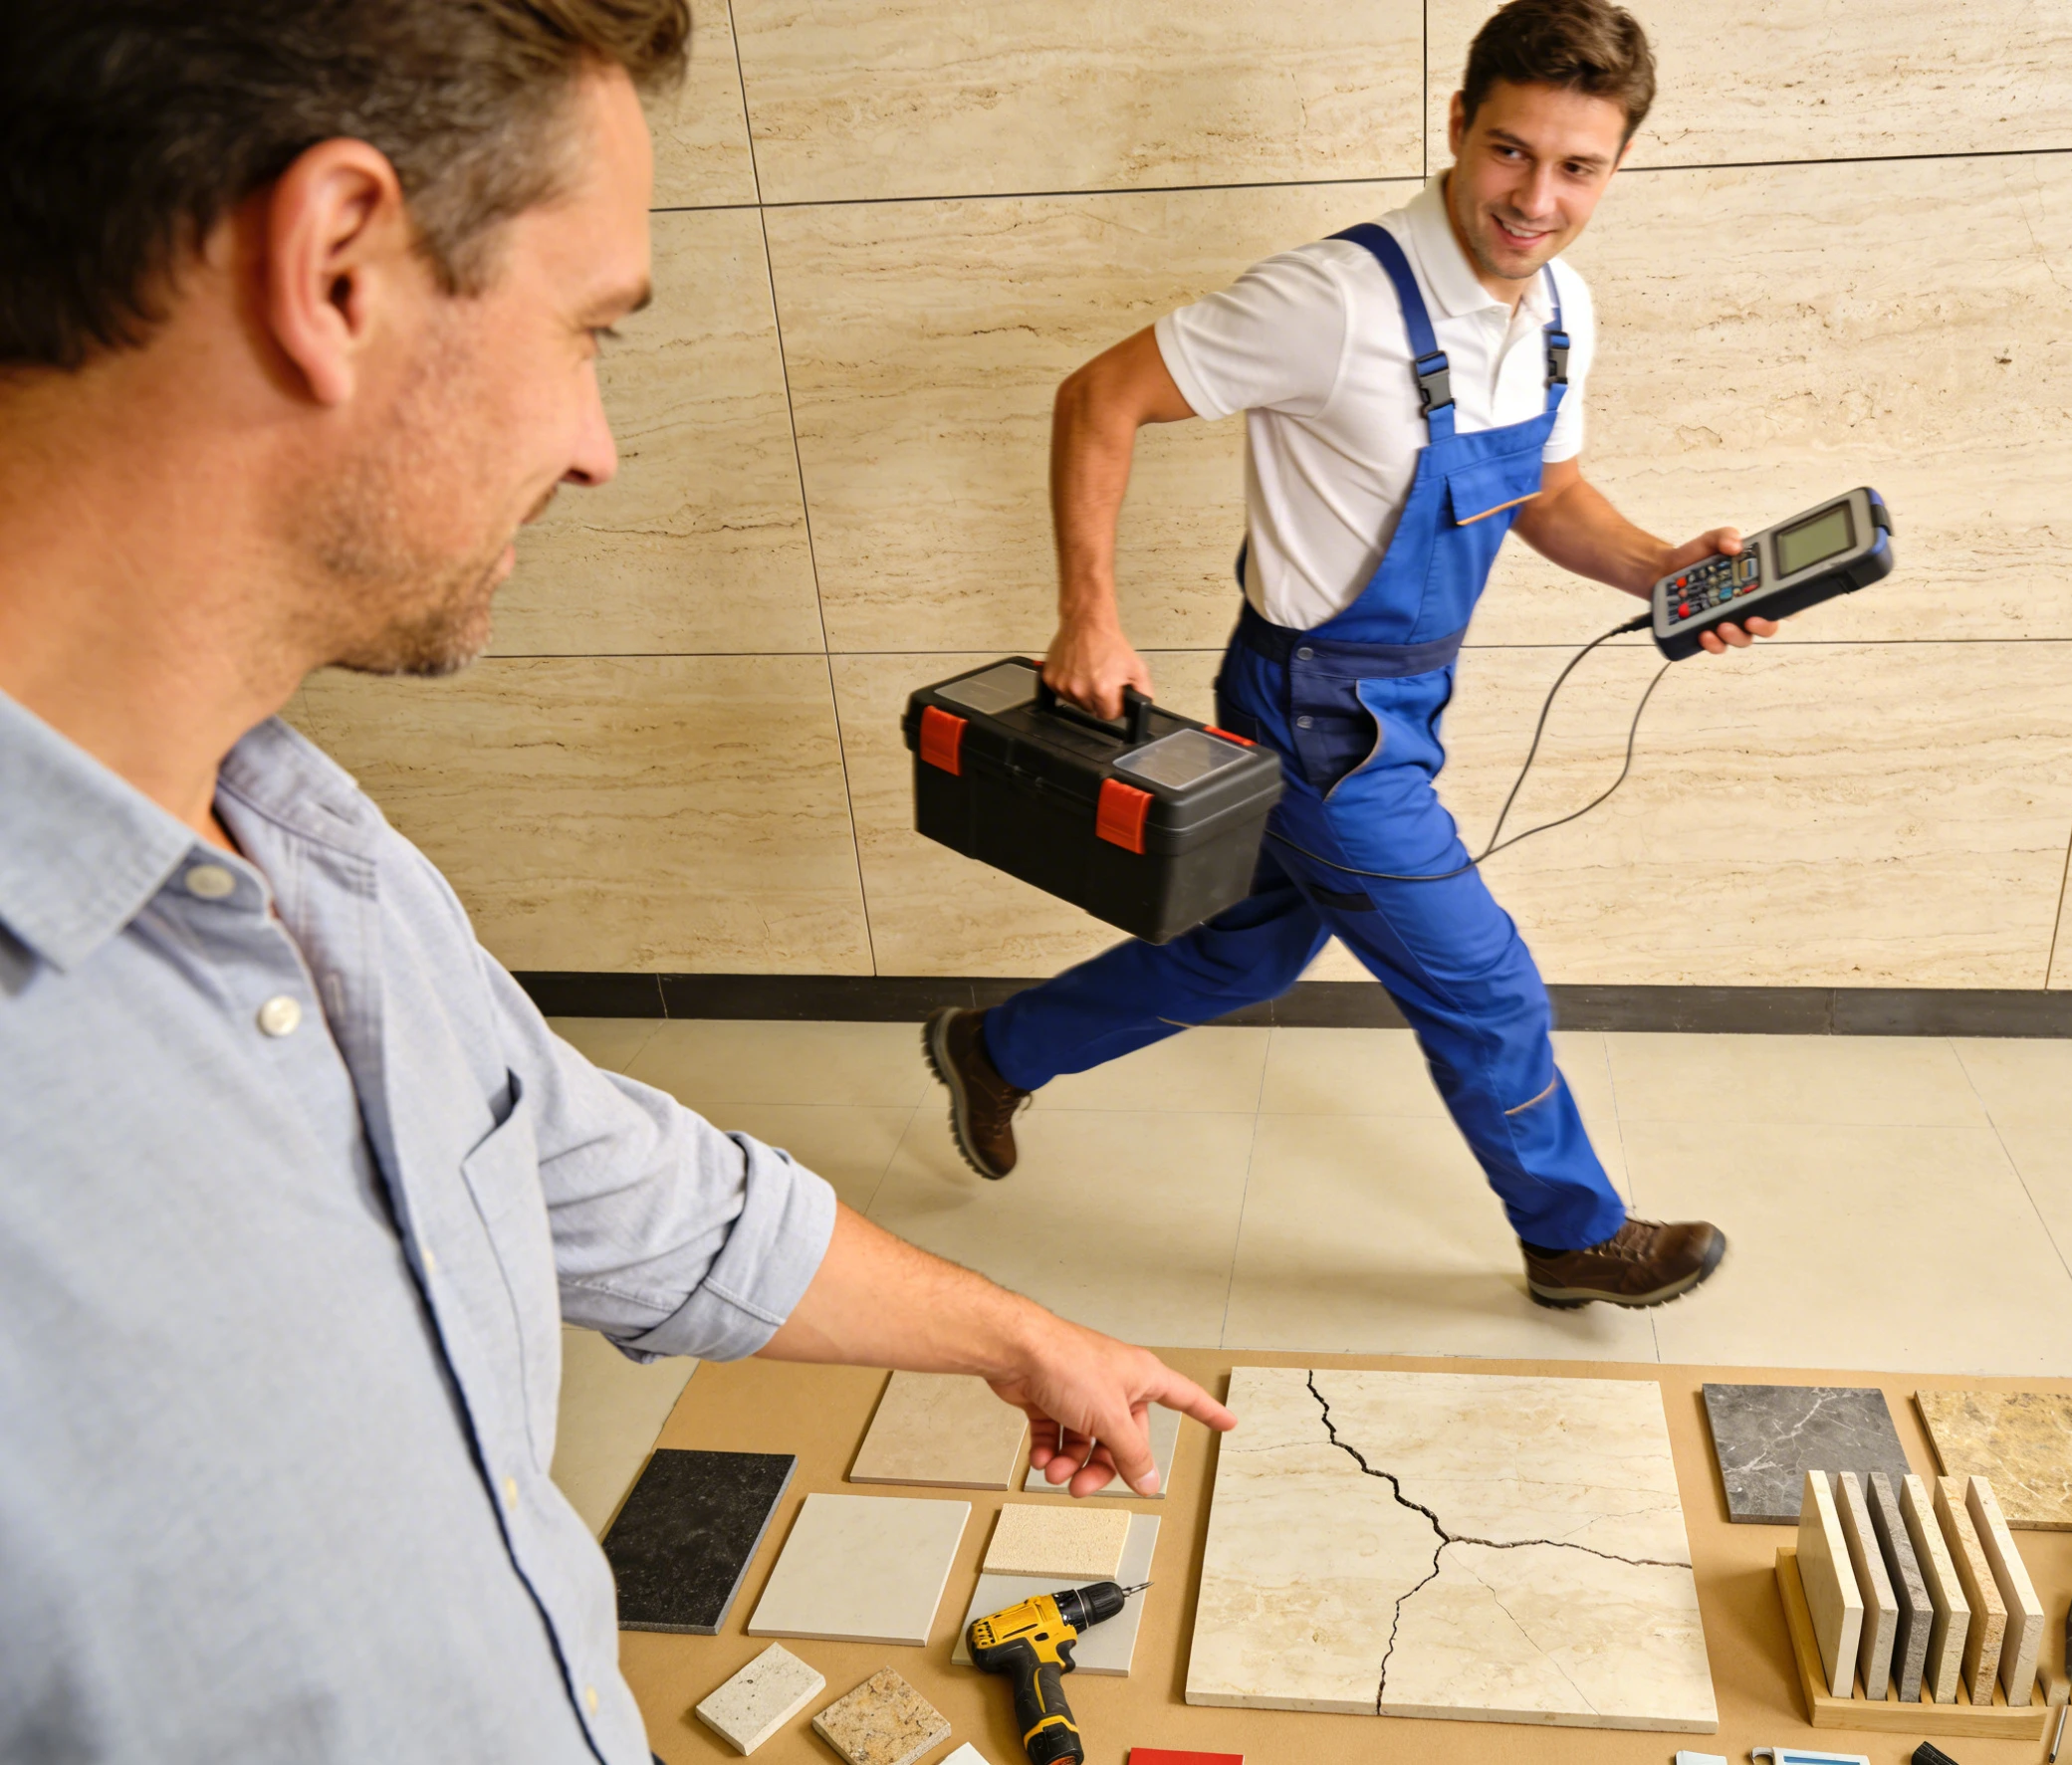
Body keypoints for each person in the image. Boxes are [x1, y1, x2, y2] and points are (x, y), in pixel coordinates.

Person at [0, 4, 1232, 1759]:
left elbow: (606, 1182)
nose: (597, 445)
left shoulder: (304, 843)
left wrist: (1016, 1340)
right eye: (588, 332)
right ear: (334, 265)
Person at [925, 0, 1771, 1314]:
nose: (1534, 197)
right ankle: (1570, 1232)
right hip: (1314, 713)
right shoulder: (1332, 298)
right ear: (1457, 125)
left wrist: (1668, 569)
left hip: (1408, 697)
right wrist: (1087, 613)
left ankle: (995, 1047)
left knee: (1245, 952)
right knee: (1481, 982)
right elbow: (1099, 396)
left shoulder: (1559, 314)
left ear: (1615, 167)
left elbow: (1546, 497)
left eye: (1577, 167)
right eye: (1509, 152)